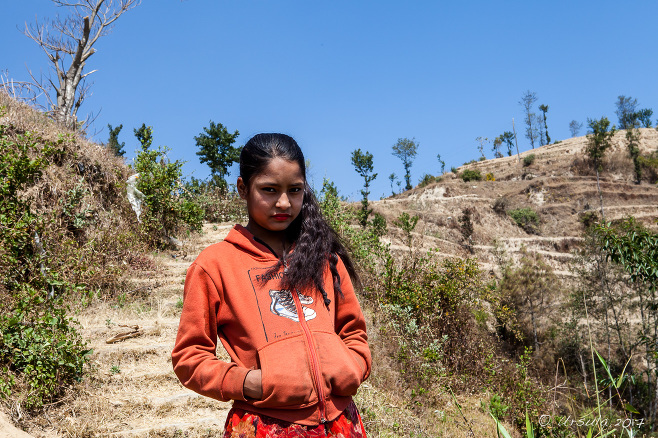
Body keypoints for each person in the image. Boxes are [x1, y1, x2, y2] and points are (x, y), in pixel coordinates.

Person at [171, 133, 371, 437]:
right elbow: (190, 358)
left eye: (295, 190)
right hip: (264, 425)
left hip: (342, 421)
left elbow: (353, 331)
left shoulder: (324, 257)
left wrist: (351, 368)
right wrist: (252, 383)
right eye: (269, 190)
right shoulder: (215, 265)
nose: (283, 203)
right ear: (242, 188)